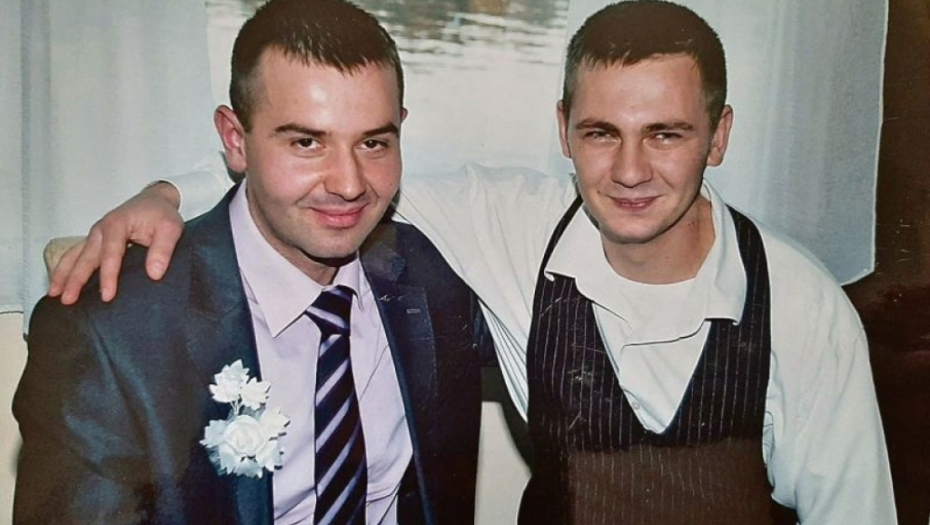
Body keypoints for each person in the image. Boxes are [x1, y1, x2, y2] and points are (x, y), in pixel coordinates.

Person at [46, 1, 897, 523]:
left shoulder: (801, 304)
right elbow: (318, 183)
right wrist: (162, 194)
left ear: (720, 135)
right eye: (601, 133)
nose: (631, 171)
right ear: (562, 130)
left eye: (667, 134)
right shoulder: (506, 228)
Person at [14, 0, 492, 523]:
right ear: (235, 140)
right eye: (307, 142)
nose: (350, 184)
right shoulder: (111, 334)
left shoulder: (434, 277)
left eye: (373, 143)